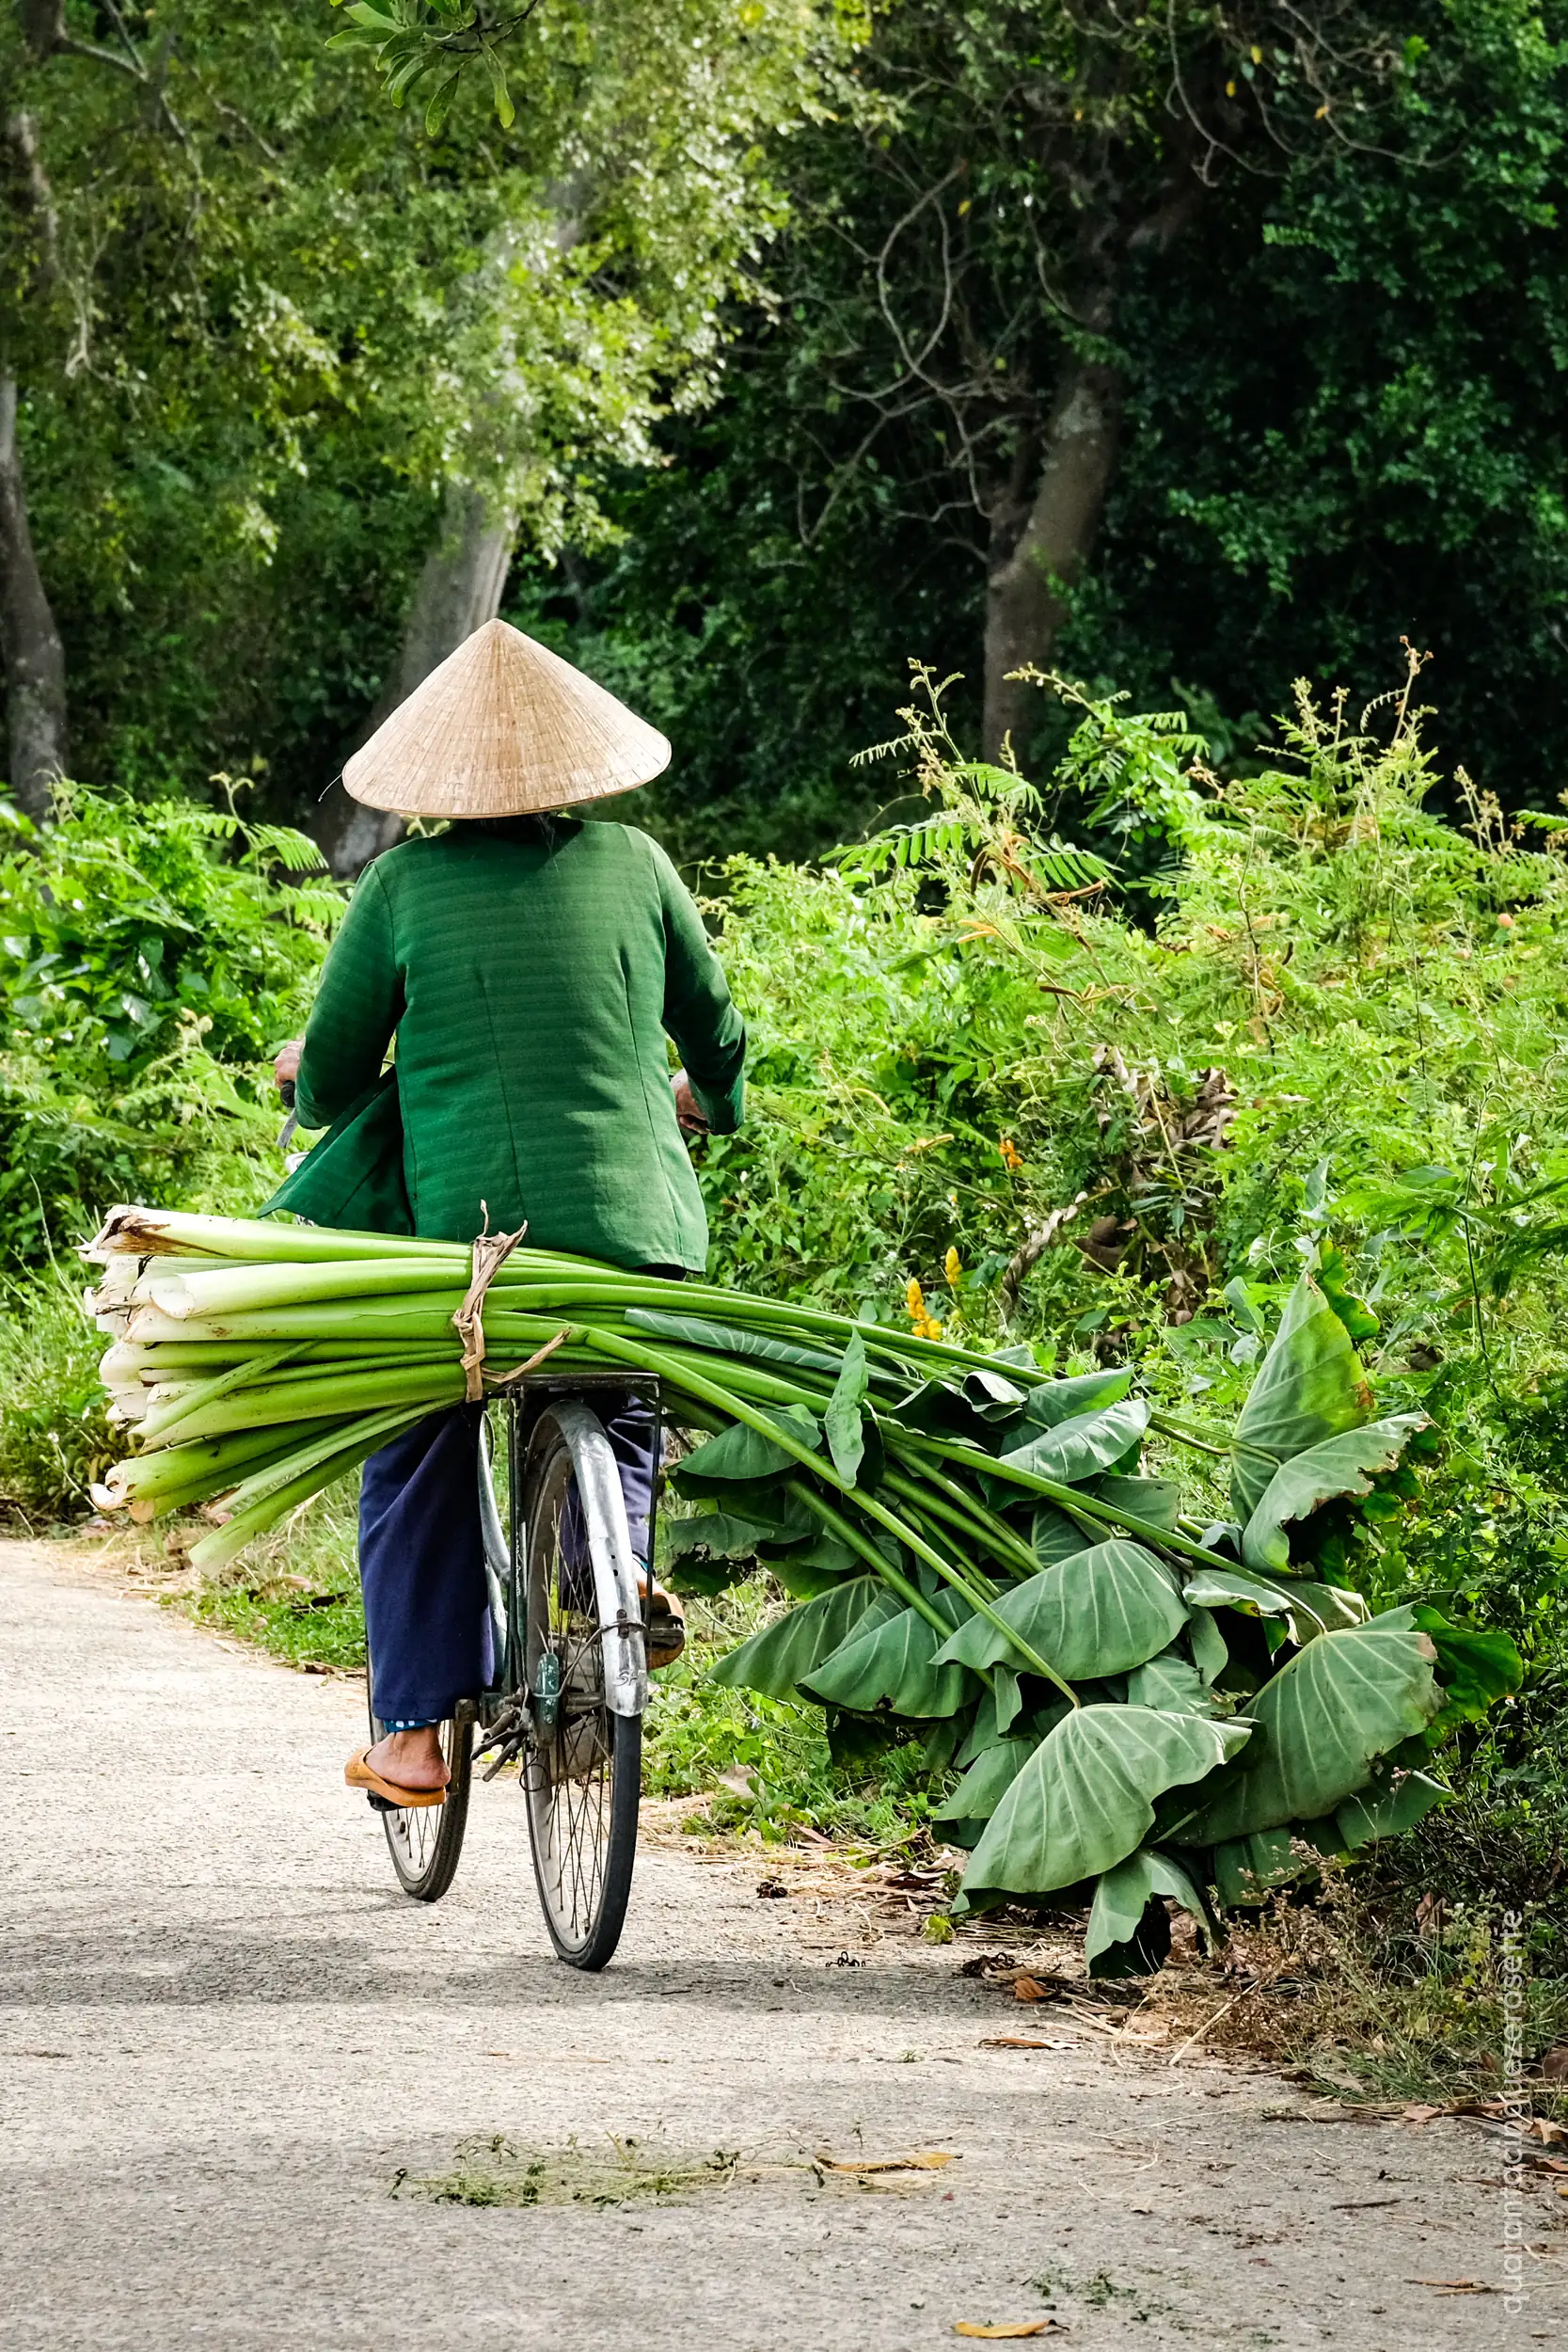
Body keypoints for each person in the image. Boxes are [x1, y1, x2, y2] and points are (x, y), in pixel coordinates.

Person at [271, 618, 746, 1809]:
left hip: (469, 1252)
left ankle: (413, 1737)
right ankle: (617, 1580)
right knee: (618, 1396)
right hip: (635, 1237)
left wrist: (299, 1079)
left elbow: (332, 1079)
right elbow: (715, 1027)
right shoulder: (637, 863)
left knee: (413, 1439)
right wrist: (712, 1101)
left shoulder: (402, 885)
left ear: (439, 782)